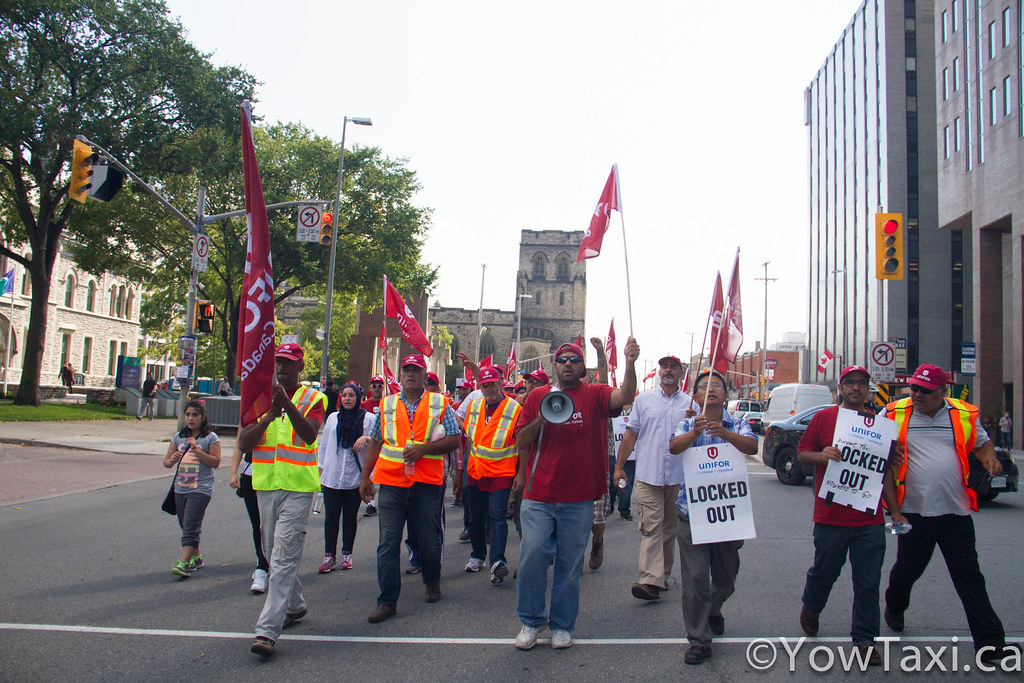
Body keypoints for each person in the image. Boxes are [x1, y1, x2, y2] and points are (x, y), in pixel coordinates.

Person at [881, 364, 1019, 666]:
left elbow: (982, 444)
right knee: (907, 570)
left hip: (955, 513)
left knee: (969, 578)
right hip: (913, 513)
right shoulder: (893, 413)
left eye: (924, 391)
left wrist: (991, 460)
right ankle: (894, 606)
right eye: (914, 388)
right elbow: (873, 447)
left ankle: (992, 644)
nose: (916, 394)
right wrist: (893, 510)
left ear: (943, 392)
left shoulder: (962, 414)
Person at [512, 338, 638, 650]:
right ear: (554, 366)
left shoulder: (594, 394)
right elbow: (521, 440)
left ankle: (562, 625)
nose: (568, 363)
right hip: (539, 495)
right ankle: (530, 621)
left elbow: (625, 395)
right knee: (532, 556)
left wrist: (630, 363)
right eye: (562, 359)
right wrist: (543, 415)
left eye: (574, 360)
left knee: (569, 565)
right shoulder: (538, 395)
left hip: (579, 498)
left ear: (582, 368)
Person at [796, 365, 905, 667]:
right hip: (831, 516)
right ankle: (812, 606)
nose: (857, 388)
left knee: (868, 582)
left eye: (862, 383)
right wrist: (823, 455)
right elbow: (803, 454)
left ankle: (865, 640)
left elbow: (884, 474)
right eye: (851, 383)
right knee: (824, 572)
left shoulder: (879, 425)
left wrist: (894, 512)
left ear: (868, 389)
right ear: (840, 388)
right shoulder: (824, 419)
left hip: (869, 520)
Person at [239, 342, 327, 658]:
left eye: (289, 363)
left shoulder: (315, 398)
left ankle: (267, 630)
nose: (283, 367)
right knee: (271, 550)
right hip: (265, 484)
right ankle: (296, 604)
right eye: (279, 362)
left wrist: (287, 405)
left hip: (299, 488)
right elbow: (245, 441)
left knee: (283, 556)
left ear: (301, 367)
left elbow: (309, 434)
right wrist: (268, 415)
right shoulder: (259, 399)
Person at [359, 354, 461, 624]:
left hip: (426, 483)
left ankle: (432, 580)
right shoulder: (387, 404)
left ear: (424, 374)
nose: (410, 374)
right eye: (406, 370)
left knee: (428, 539)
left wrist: (424, 450)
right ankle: (387, 601)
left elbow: (454, 439)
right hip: (392, 483)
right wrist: (365, 477)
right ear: (400, 374)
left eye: (416, 370)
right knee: (388, 544)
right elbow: (376, 441)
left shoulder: (440, 403)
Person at [668, 368, 757, 665]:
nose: (711, 389)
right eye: (705, 386)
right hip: (691, 514)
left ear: (726, 394)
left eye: (717, 385)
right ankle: (698, 639)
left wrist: (726, 434)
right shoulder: (686, 423)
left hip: (728, 516)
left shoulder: (739, 423)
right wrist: (695, 432)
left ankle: (713, 610)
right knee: (695, 580)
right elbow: (674, 447)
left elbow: (752, 446)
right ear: (695, 396)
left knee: (726, 577)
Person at [613, 354, 698, 600]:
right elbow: (630, 435)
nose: (668, 370)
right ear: (659, 372)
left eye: (673, 367)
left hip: (678, 477)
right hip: (648, 474)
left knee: (669, 529)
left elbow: (699, 439)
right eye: (664, 367)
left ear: (681, 373)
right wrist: (619, 467)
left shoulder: (691, 404)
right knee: (652, 527)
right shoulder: (644, 400)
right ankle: (650, 580)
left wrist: (695, 422)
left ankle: (662, 577)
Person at [462, 365, 522, 584]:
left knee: (497, 517)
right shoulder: (474, 405)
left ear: (501, 382)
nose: (489, 388)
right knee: (475, 519)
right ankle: (478, 556)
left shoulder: (514, 409)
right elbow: (470, 435)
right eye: (484, 385)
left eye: (492, 384)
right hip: (476, 471)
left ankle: (497, 561)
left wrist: (519, 474)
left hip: (501, 473)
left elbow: (522, 444)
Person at [317, 382, 374, 573]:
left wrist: (365, 439)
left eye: (352, 395)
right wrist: (321, 470)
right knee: (331, 517)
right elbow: (324, 445)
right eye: (345, 395)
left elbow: (378, 443)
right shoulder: (333, 418)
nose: (348, 399)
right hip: (332, 476)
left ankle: (347, 554)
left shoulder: (368, 419)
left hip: (354, 477)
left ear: (358, 398)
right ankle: (329, 555)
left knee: (350, 517)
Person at [162, 400, 221, 577]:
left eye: (195, 415)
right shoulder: (178, 437)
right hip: (180, 488)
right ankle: (196, 558)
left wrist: (198, 450)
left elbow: (215, 462)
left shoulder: (210, 438)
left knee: (190, 526)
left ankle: (184, 563)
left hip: (200, 489)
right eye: (187, 415)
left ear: (203, 417)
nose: (190, 418)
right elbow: (166, 462)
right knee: (185, 524)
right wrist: (171, 460)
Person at [229, 444, 271, 593]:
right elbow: (241, 442)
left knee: (273, 523)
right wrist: (233, 471)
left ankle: (275, 564)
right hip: (251, 473)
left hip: (276, 474)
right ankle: (262, 566)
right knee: (257, 524)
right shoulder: (249, 419)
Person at [361, 375, 386, 517]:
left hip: (382, 444)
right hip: (368, 444)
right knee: (369, 473)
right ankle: (371, 503)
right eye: (374, 386)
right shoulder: (364, 405)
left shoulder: (386, 404)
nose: (377, 388)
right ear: (370, 388)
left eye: (380, 386)